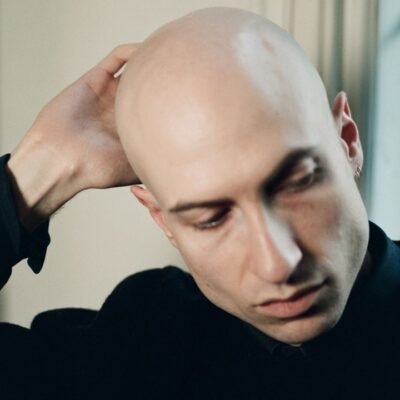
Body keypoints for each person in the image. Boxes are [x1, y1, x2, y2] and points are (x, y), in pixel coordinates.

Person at [1, 7, 399, 399]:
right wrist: (39, 172)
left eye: (297, 183)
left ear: (348, 142)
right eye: (211, 219)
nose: (277, 265)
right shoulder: (144, 340)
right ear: (161, 220)